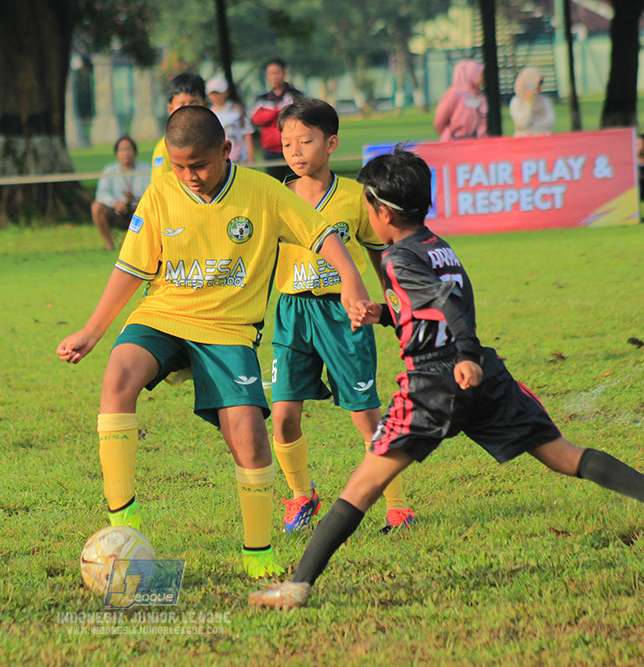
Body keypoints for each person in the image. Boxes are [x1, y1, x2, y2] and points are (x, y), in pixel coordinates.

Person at [249, 147, 644, 610]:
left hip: (435, 382)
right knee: (562, 456)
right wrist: (383, 314)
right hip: (487, 379)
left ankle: (296, 587)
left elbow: (446, 304)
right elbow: (434, 304)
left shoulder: (397, 258)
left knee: (361, 486)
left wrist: (466, 354)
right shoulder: (437, 245)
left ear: (380, 211)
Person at [57, 106, 370, 579]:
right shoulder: (162, 191)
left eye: (199, 165)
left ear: (226, 150)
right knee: (118, 375)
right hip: (164, 313)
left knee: (248, 436)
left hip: (227, 329)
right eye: (179, 166)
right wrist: (92, 330)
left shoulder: (264, 192)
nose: (190, 176)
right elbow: (130, 269)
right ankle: (124, 519)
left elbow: (322, 233)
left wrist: (350, 279)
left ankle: (259, 552)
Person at [271, 98, 414, 535]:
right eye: (286, 143)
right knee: (282, 415)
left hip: (343, 313)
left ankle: (397, 505)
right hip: (291, 312)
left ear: (331, 143)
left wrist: (392, 303)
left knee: (364, 415)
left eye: (305, 141)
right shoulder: (276, 197)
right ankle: (300, 494)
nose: (294, 152)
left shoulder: (355, 197)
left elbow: (378, 253)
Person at [91, 136, 151, 251]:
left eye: (129, 149)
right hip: (116, 210)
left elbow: (151, 193)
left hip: (138, 210)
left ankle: (136, 244)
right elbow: (101, 194)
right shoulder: (109, 170)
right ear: (117, 153)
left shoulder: (146, 169)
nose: (126, 153)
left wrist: (135, 199)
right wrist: (115, 203)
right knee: (96, 207)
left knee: (148, 209)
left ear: (135, 152)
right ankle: (109, 243)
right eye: (122, 150)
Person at [150, 73, 207, 183]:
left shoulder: (213, 140)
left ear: (205, 105)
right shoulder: (165, 147)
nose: (188, 111)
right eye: (181, 105)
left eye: (194, 104)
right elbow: (159, 187)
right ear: (170, 109)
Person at [251, 59, 301, 180]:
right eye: (270, 73)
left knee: (295, 182)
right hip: (271, 151)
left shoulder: (296, 96)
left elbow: (302, 118)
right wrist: (275, 113)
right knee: (275, 185)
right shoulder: (262, 99)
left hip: (293, 147)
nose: (274, 77)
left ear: (284, 73)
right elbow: (256, 119)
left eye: (277, 73)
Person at [433, 60, 488, 142]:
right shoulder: (453, 95)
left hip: (478, 143)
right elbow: (439, 122)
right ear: (471, 74)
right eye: (480, 75)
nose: (482, 78)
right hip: (454, 143)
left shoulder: (480, 96)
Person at [206, 76, 255, 165]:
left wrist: (251, 156)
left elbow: (247, 133)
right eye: (212, 94)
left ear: (226, 92)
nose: (215, 97)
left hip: (242, 158)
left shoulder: (238, 109)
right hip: (223, 160)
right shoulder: (209, 113)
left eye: (218, 93)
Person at [509, 67, 555, 137]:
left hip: (543, 138)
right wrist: (529, 103)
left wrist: (532, 128)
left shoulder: (544, 100)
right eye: (537, 84)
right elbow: (521, 123)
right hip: (523, 140)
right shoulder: (516, 102)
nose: (540, 87)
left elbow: (550, 120)